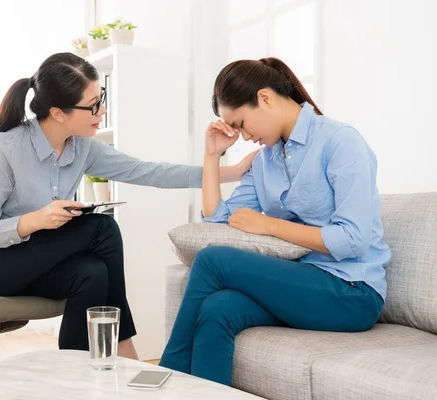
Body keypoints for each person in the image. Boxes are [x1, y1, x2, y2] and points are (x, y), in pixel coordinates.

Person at [0, 52, 257, 360]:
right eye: (93, 105)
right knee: (102, 226)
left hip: (24, 260)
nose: (102, 110)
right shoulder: (8, 149)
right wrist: (35, 220)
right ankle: (124, 349)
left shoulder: (82, 148)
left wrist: (229, 171)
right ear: (57, 113)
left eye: (101, 98)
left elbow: (150, 171)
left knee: (91, 273)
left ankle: (77, 377)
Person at [159, 57, 390, 385]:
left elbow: (353, 239)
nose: (241, 135)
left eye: (239, 124)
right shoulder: (265, 160)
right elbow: (218, 222)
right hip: (303, 282)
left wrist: (269, 225)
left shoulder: (340, 140)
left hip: (352, 291)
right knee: (217, 309)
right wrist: (212, 156)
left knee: (212, 261)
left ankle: (168, 375)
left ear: (264, 98)